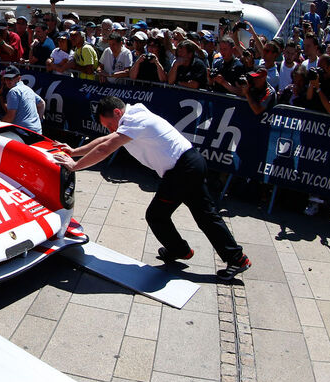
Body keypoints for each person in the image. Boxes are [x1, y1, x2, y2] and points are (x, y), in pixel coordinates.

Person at [54, 96, 251, 280]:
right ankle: (235, 258)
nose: (111, 130)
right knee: (206, 215)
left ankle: (181, 250)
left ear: (117, 112)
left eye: (110, 125)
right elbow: (104, 141)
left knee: (157, 215)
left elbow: (106, 149)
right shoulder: (132, 116)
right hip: (190, 163)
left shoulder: (134, 121)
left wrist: (74, 166)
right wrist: (74, 152)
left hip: (182, 170)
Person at [0, 65, 44, 132]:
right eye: (6, 78)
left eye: (11, 78)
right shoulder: (28, 89)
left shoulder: (13, 91)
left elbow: (10, 117)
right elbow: (41, 104)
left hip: (23, 133)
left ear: (19, 78)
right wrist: (39, 119)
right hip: (37, 131)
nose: (8, 81)